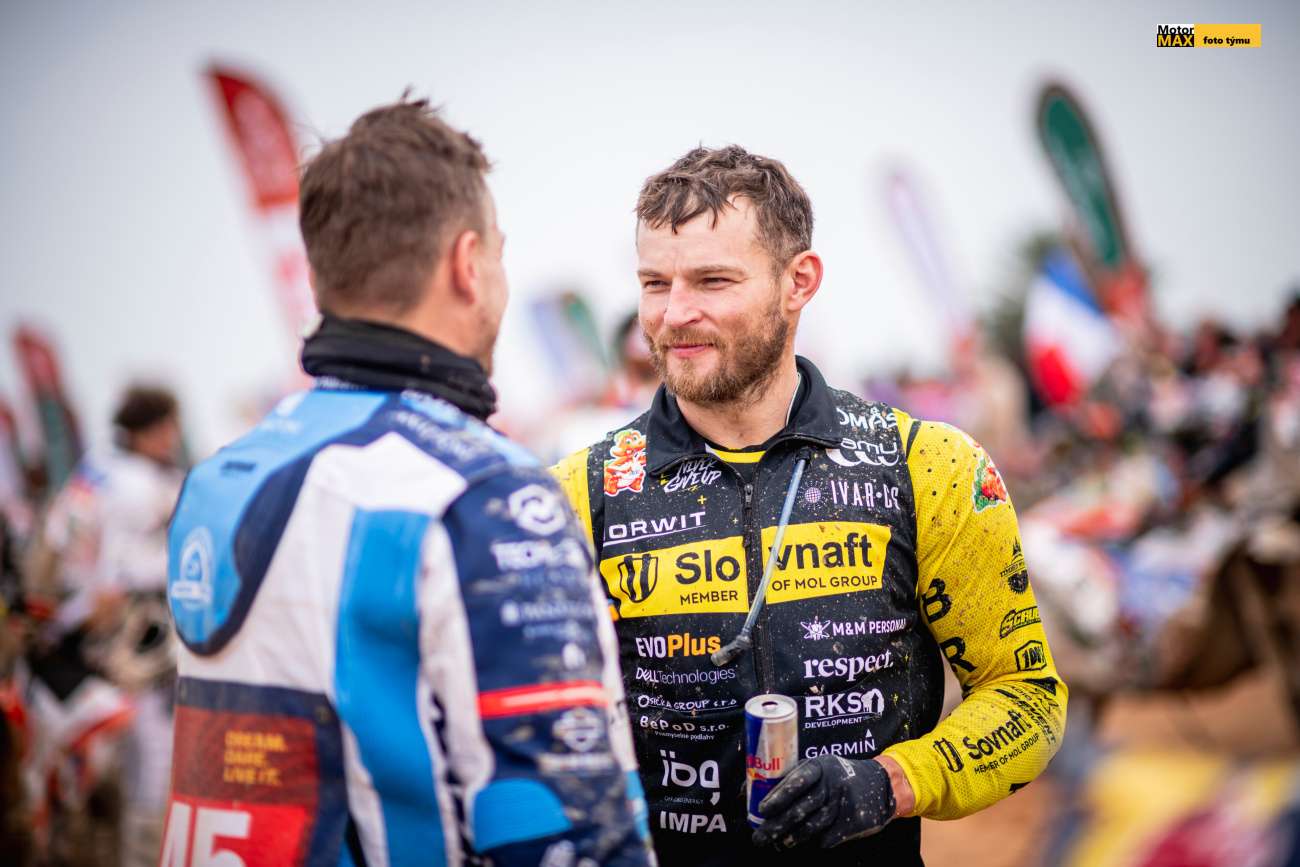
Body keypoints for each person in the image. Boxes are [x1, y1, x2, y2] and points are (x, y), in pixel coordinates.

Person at [163, 98, 651, 866]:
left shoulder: (217, 479)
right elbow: (572, 823)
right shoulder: (485, 492)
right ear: (467, 264)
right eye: (499, 252)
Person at [552, 146, 1067, 865]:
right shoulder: (577, 495)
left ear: (799, 281)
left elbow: (1027, 697)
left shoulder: (928, 466)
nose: (675, 313)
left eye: (712, 280)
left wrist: (890, 782)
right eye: (654, 283)